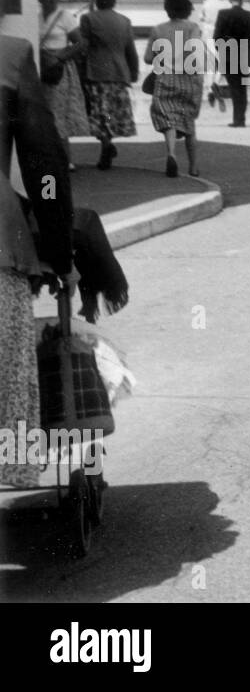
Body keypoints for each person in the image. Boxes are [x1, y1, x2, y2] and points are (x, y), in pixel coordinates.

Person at [0, 30, 75, 488]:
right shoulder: (9, 55)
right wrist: (58, 246)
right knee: (8, 387)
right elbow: (43, 163)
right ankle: (12, 465)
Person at [144, 0, 206, 177]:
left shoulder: (158, 29)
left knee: (168, 119)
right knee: (189, 124)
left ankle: (171, 153)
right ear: (187, 9)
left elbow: (148, 58)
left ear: (167, 9)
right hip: (189, 78)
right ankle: (193, 167)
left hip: (165, 78)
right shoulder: (193, 27)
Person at [79, 0, 139, 170]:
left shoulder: (88, 18)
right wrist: (133, 71)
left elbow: (83, 46)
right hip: (119, 71)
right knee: (111, 112)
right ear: (114, 1)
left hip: (95, 71)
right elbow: (131, 49)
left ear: (97, 0)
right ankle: (108, 141)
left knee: (99, 111)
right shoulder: (124, 21)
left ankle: (105, 143)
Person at [37, 0, 90, 168]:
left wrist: (60, 57)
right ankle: (50, 157)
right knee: (44, 112)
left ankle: (66, 159)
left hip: (58, 68)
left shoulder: (65, 17)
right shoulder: (35, 16)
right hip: (41, 66)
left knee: (57, 112)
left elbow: (81, 43)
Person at [213, 0, 250, 128]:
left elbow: (217, 37)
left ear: (230, 1)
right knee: (242, 88)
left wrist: (222, 51)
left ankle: (237, 120)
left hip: (228, 55)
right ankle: (240, 119)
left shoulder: (223, 14)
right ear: (242, 0)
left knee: (234, 87)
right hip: (244, 55)